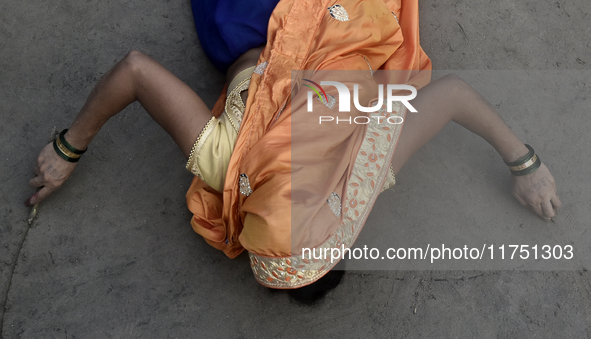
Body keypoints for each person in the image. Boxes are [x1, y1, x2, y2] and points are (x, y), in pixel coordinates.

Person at [27, 0, 560, 303]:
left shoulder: (226, 160)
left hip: (249, 19)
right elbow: (456, 95)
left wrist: (71, 145)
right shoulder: (360, 172)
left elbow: (136, 70)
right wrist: (525, 164)